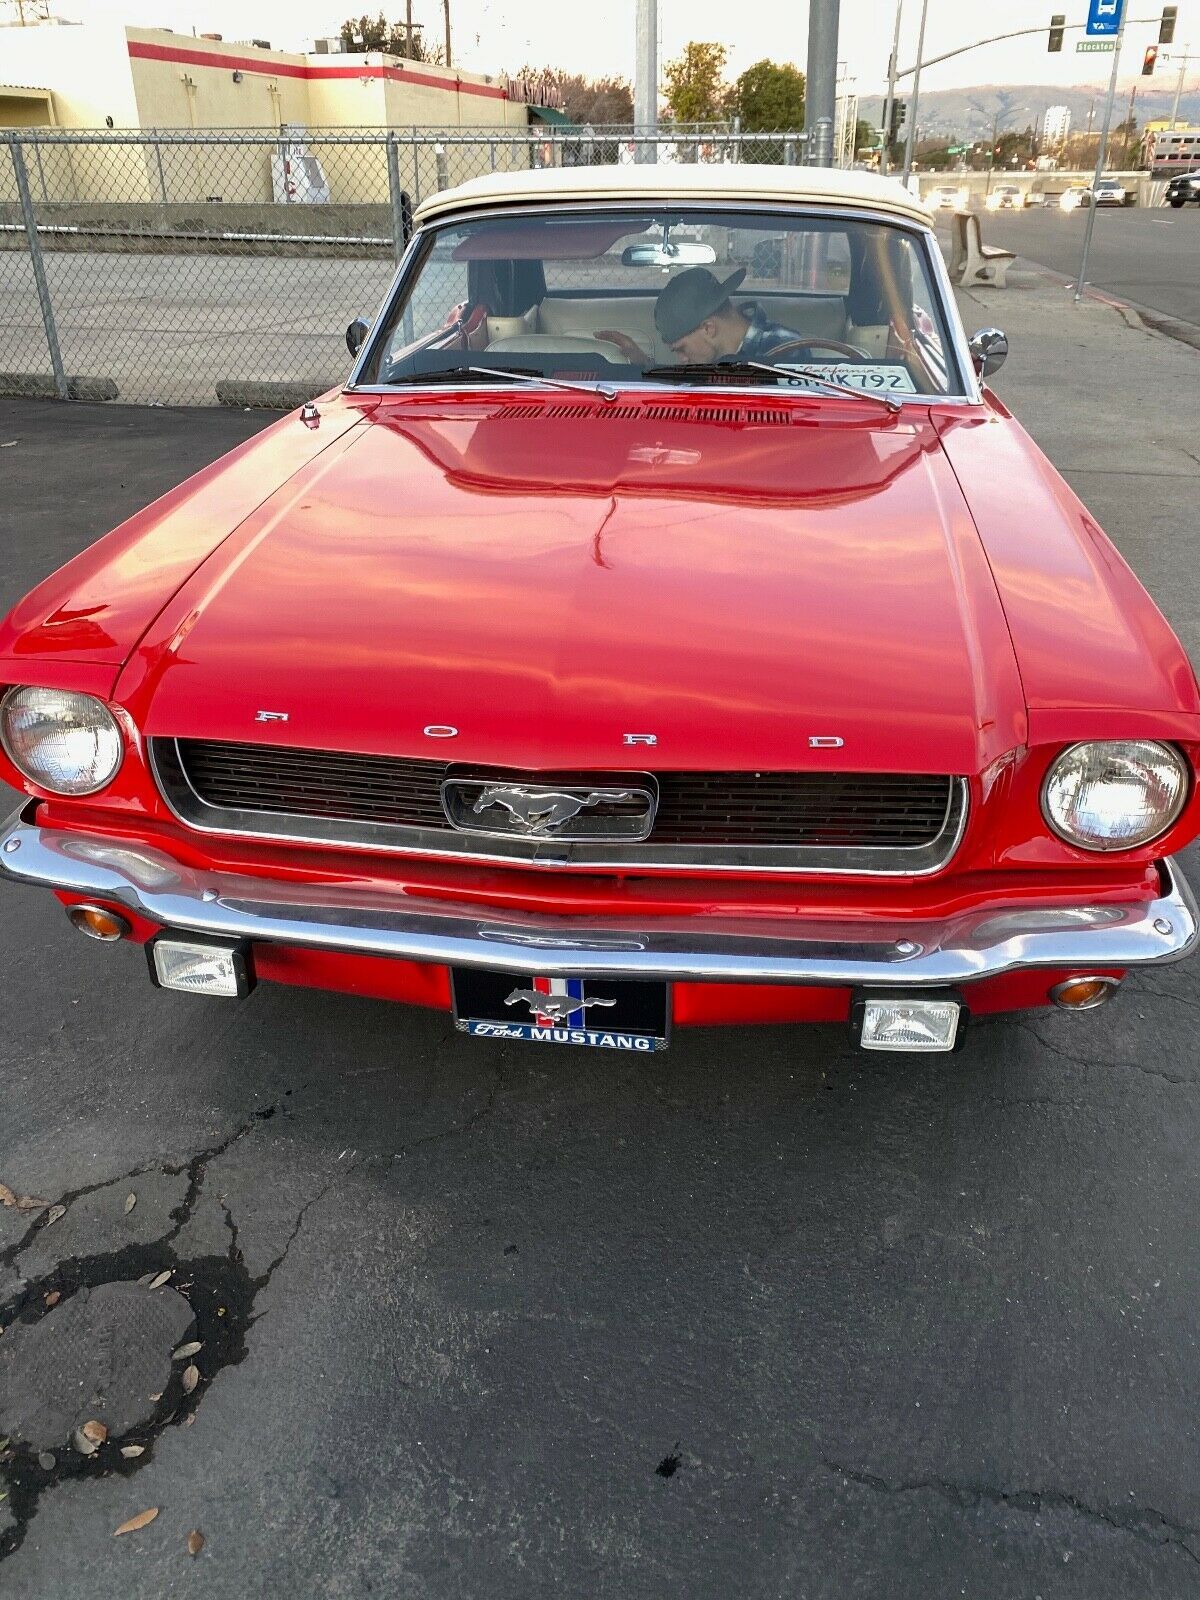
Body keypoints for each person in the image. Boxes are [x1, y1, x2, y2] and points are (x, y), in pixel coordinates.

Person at [595, 266, 799, 366]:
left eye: (681, 349)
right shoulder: (712, 360)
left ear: (708, 328)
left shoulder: (787, 350)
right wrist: (640, 363)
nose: (682, 360)